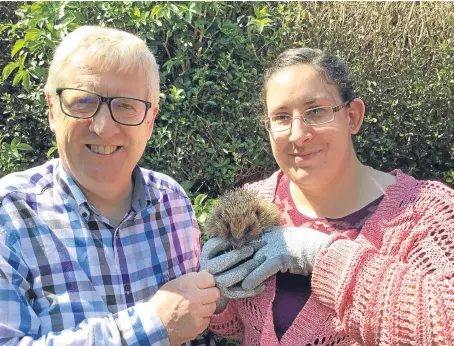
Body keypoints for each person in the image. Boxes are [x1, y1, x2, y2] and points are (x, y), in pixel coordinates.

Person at [201, 47, 454, 345]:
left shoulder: (429, 211)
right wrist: (214, 298)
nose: (297, 134)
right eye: (281, 117)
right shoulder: (251, 202)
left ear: (352, 116)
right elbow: (237, 327)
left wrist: (319, 255)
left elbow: (443, 328)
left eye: (316, 111)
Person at [0, 26, 220, 345]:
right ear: (51, 109)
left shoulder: (172, 202)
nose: (103, 127)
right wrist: (152, 325)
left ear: (150, 120)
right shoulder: (10, 216)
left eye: (126, 105)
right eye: (83, 102)